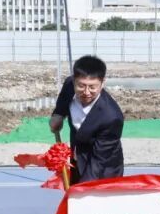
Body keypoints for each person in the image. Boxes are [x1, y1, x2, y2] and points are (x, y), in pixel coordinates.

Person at [48, 55, 124, 184]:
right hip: (77, 159)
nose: (86, 92)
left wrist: (81, 190)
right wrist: (58, 115)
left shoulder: (111, 117)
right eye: (81, 86)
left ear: (102, 83)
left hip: (104, 170)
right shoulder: (70, 84)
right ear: (74, 81)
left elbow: (98, 162)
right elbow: (63, 101)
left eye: (92, 87)